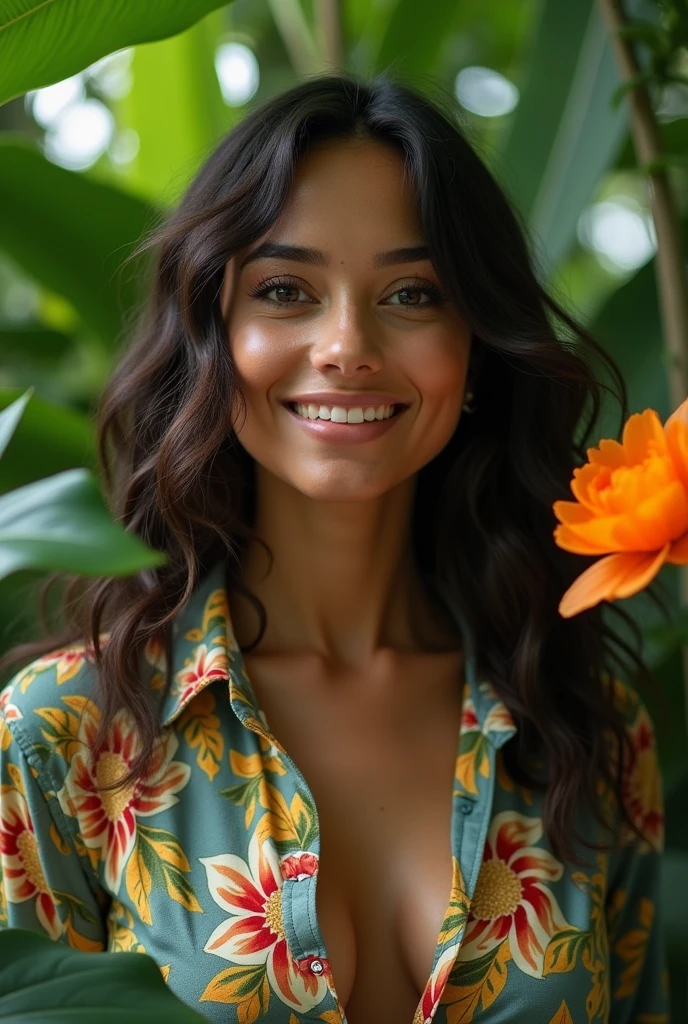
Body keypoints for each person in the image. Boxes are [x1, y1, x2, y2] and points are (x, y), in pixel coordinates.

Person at [0, 74, 669, 1024]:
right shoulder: (64, 737)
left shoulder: (586, 730)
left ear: (475, 348)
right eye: (285, 290)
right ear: (211, 335)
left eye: (412, 292)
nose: (347, 344)